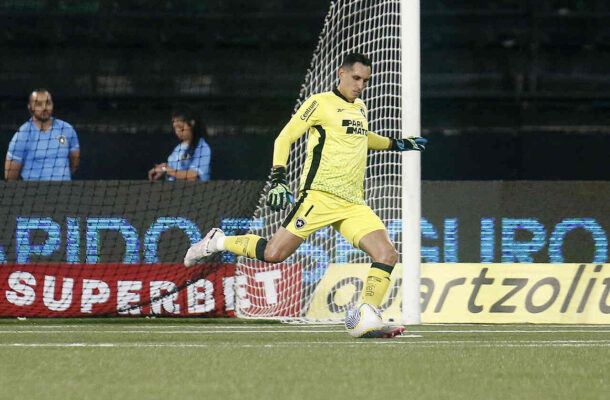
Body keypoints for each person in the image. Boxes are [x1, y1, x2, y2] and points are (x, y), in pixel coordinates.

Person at [184, 53, 426, 336]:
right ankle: (219, 240)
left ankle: (367, 316)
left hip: (352, 203)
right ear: (341, 73)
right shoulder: (319, 103)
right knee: (274, 254)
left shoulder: (360, 107)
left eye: (365, 80)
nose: (360, 85)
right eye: (356, 78)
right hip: (319, 198)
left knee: (386, 253)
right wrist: (278, 178)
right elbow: (284, 138)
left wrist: (396, 144)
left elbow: (363, 137)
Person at [5, 89, 80, 180]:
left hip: (64, 191)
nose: (44, 108)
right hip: (34, 192)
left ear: (52, 104)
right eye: (39, 104)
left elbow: (74, 163)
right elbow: (10, 176)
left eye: (48, 103)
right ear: (30, 107)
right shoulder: (22, 136)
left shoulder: (67, 129)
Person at [148, 106, 211, 181]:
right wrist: (163, 168)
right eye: (175, 128)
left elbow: (192, 176)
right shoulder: (178, 148)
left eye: (180, 127)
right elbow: (172, 170)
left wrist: (167, 170)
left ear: (192, 123)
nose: (177, 131)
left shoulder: (202, 147)